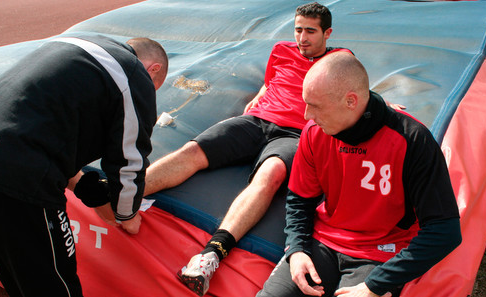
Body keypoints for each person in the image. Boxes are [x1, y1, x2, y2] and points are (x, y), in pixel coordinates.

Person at [144, 2, 402, 296]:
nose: (302, 38)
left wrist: (379, 106)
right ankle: (126, 193)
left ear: (327, 33)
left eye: (310, 32)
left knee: (271, 174)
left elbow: (353, 87)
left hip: (294, 133)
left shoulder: (340, 58)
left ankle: (210, 256)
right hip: (256, 121)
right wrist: (257, 98)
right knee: (193, 152)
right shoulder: (281, 50)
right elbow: (271, 83)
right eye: (298, 29)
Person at [0, 35, 168, 296]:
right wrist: (126, 214)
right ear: (153, 69)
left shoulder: (71, 47)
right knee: (55, 284)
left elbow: (42, 130)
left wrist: (89, 189)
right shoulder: (132, 73)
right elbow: (128, 159)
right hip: (20, 177)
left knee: (18, 275)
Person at [256, 52, 462, 297]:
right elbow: (300, 199)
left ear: (351, 101)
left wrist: (375, 286)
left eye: (316, 106)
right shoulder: (313, 132)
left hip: (381, 253)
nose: (306, 115)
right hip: (323, 243)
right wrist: (297, 249)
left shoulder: (412, 139)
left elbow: (444, 230)